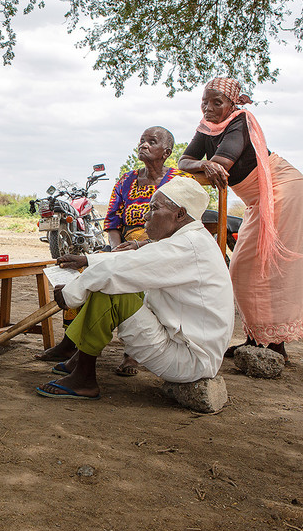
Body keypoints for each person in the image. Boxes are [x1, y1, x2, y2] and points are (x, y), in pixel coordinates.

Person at [35, 178, 234, 399]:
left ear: (180, 214)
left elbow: (120, 270)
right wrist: (86, 261)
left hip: (188, 360)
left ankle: (84, 377)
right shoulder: (190, 240)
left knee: (111, 289)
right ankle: (79, 357)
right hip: (188, 350)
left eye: (154, 208)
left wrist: (71, 293)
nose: (146, 216)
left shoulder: (188, 246)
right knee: (120, 280)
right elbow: (135, 260)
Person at [177, 77, 303, 360]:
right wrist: (203, 162)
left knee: (271, 266)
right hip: (259, 200)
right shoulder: (206, 128)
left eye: (216, 102)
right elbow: (185, 161)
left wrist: (209, 163)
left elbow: (223, 164)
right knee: (245, 268)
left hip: (284, 190)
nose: (208, 108)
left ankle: (273, 343)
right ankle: (258, 337)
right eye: (204, 101)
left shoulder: (240, 122)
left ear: (232, 105)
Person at [35, 126, 191, 376]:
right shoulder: (127, 180)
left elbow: (184, 227)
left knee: (122, 278)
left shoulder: (180, 181)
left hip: (161, 248)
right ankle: (71, 342)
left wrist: (140, 247)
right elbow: (112, 222)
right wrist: (117, 248)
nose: (144, 145)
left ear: (167, 151)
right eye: (142, 140)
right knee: (83, 272)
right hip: (126, 246)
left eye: (152, 141)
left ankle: (132, 354)